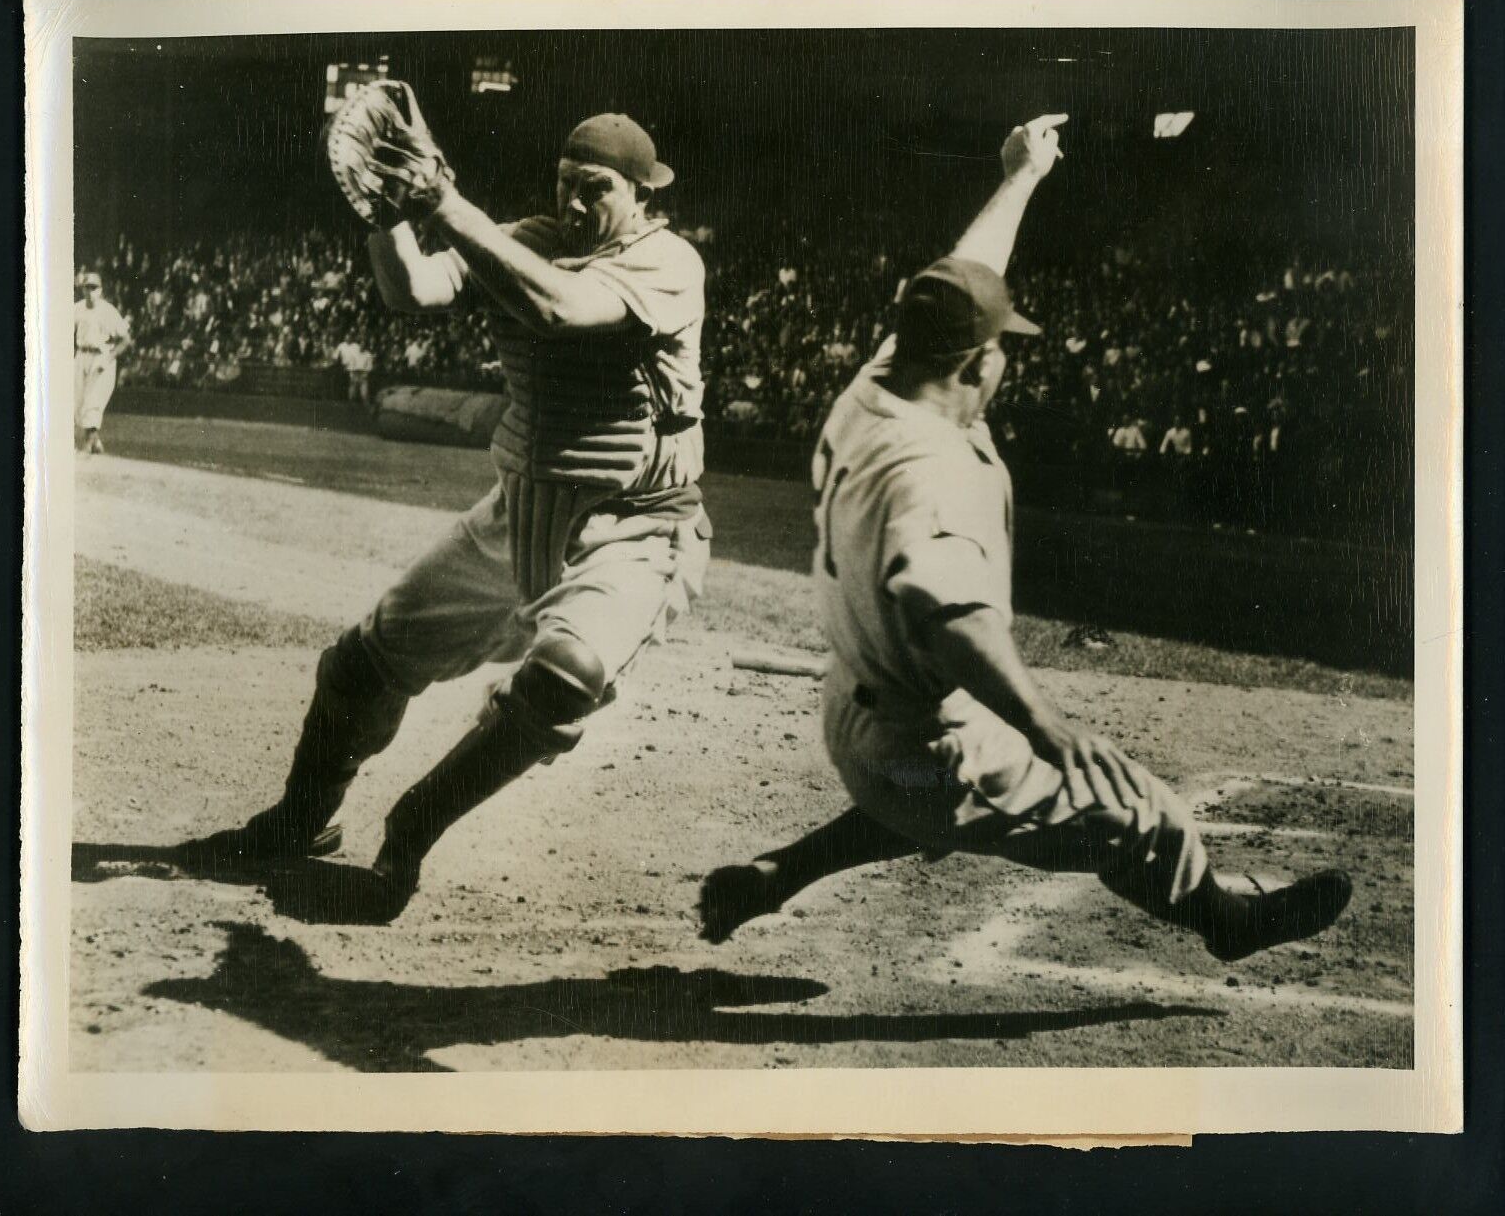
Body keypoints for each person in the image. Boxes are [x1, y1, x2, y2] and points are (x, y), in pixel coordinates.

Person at [697, 115, 1351, 963]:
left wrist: (1022, 176)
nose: (1008, 357)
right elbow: (947, 611)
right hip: (916, 738)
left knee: (949, 786)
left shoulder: (875, 388)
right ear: (974, 366)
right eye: (1002, 347)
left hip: (853, 707)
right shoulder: (933, 468)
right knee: (1140, 814)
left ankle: (780, 870)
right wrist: (1053, 729)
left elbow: (959, 283)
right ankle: (1226, 922)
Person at [182, 113, 710, 923]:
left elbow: (565, 309)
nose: (573, 198)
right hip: (515, 515)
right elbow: (413, 291)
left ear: (643, 191)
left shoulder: (668, 259)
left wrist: (443, 200)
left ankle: (409, 832)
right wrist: (389, 215)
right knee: (358, 667)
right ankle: (298, 821)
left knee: (563, 679)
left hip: (630, 527)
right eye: (565, 179)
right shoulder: (528, 233)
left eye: (595, 186)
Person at [72, 271, 132, 454]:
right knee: (76, 400)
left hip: (101, 356)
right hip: (81, 354)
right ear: (82, 290)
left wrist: (109, 357)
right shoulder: (77, 308)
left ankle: (89, 443)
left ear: (101, 290)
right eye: (87, 288)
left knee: (93, 399)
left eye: (94, 288)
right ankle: (95, 442)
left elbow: (125, 340)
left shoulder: (108, 311)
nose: (90, 292)